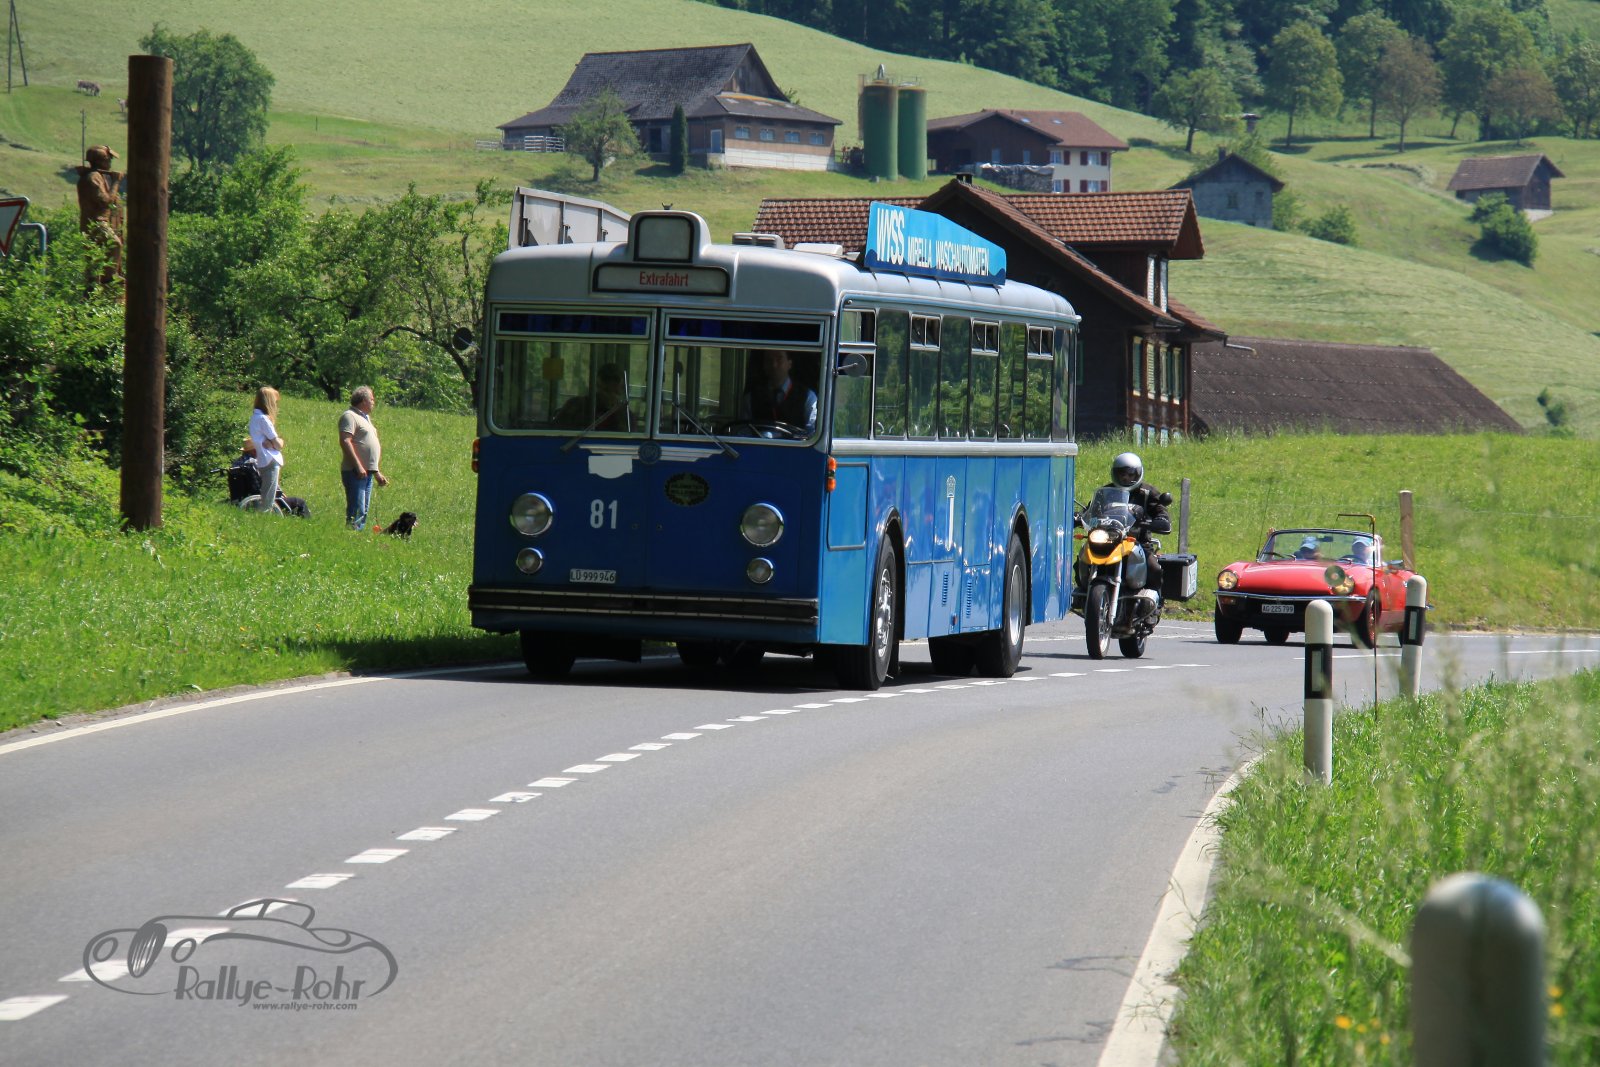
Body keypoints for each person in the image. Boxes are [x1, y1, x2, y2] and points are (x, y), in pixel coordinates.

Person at [1106, 451, 1171, 588]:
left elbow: (1160, 509)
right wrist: (1079, 516)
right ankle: (1083, 592)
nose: (1125, 478)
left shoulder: (1147, 492)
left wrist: (1162, 519)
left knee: (1154, 569)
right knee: (1084, 558)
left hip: (1139, 543)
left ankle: (1155, 598)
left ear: (1137, 474)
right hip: (1109, 541)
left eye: (1130, 474)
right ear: (1115, 474)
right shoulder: (1107, 491)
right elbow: (1092, 509)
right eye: (1122, 474)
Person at [339, 385, 388, 530]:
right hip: (355, 471)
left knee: (363, 510)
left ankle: (357, 535)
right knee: (357, 509)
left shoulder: (365, 419)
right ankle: (351, 535)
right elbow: (345, 441)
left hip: (367, 473)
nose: (374, 402)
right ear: (363, 401)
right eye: (371, 399)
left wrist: (376, 472)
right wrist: (358, 466)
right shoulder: (350, 416)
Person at [739, 350, 817, 434]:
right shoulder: (751, 398)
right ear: (764, 365)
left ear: (789, 363)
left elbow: (812, 433)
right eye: (769, 360)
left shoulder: (808, 397)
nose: (774, 365)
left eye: (779, 359)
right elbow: (743, 432)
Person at [554, 364, 630, 431]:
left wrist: (615, 411)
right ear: (597, 383)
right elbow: (557, 432)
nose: (610, 384)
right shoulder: (576, 406)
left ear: (622, 387)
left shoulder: (626, 415)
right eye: (606, 379)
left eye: (616, 380)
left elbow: (628, 437)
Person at [247, 387, 286, 513]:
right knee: (268, 499)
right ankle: (262, 518)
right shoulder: (264, 419)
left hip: (262, 459)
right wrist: (280, 441)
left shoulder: (254, 417)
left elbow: (267, 442)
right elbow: (278, 444)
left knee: (265, 494)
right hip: (271, 459)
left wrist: (271, 443)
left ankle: (260, 516)